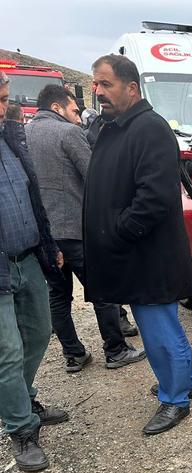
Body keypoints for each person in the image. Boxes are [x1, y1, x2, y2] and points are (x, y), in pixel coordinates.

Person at [84, 55, 192, 436]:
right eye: (95, 84)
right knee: (161, 326)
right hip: (135, 253)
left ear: (131, 88)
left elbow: (154, 198)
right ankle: (188, 380)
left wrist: (120, 230)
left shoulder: (149, 128)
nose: (98, 91)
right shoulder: (116, 125)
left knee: (159, 331)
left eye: (106, 84)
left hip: (151, 255)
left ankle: (176, 397)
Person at [27, 84, 146, 373]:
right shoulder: (68, 133)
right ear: (57, 108)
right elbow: (96, 175)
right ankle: (115, 350)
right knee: (102, 290)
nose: (79, 118)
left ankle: (74, 354)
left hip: (44, 235)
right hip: (76, 231)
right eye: (74, 111)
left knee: (58, 295)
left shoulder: (25, 132)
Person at [0, 71, 68, 472]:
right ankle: (21, 428)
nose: (4, 105)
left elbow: (33, 199)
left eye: (5, 95)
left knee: (41, 332)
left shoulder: (11, 138)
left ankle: (20, 398)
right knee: (6, 351)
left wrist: (49, 245)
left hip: (28, 258)